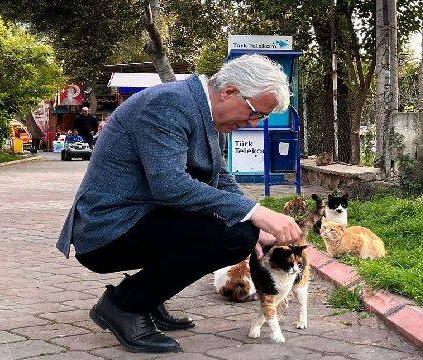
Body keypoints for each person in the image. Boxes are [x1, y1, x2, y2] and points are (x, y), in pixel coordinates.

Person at [56, 54, 302, 354]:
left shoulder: (198, 108)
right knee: (234, 237)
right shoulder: (170, 104)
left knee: (241, 229)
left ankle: (148, 296)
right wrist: (255, 214)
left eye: (260, 119)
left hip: (140, 219)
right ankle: (124, 305)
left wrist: (254, 219)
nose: (251, 123)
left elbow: (221, 179)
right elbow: (170, 186)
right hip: (107, 230)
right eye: (254, 113)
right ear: (230, 92)